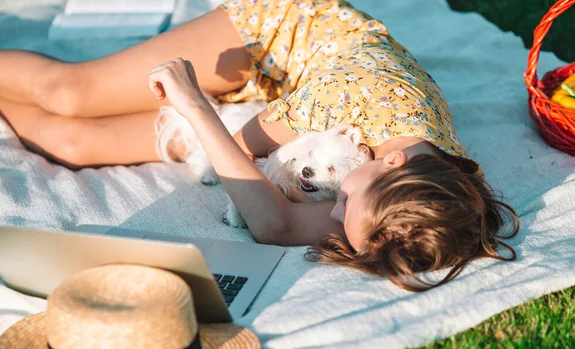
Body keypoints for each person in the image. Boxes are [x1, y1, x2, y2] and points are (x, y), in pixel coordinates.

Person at [0, 0, 519, 291]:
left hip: (289, 97)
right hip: (278, 39)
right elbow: (236, 146)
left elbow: (278, 226)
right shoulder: (357, 97)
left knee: (72, 142)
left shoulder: (425, 188)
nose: (332, 213)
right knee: (68, 95)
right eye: (344, 202)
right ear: (391, 161)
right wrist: (195, 105)